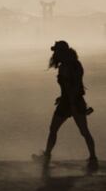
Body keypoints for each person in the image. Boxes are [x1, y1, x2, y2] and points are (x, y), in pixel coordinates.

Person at [33, 41, 98, 171]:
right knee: (84, 131)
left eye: (56, 51)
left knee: (53, 129)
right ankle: (93, 158)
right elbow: (75, 85)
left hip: (69, 103)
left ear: (62, 52)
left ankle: (47, 156)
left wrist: (71, 103)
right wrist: (68, 99)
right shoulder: (77, 64)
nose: (54, 54)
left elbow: (70, 87)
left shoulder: (64, 67)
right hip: (76, 101)